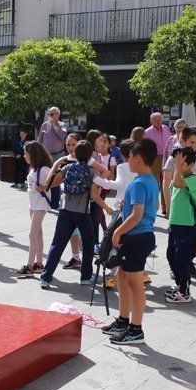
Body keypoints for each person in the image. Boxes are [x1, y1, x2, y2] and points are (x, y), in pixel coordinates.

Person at [101, 139, 159, 345]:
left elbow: (137, 215)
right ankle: (123, 320)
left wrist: (117, 231)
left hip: (136, 236)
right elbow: (148, 208)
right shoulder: (150, 180)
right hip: (140, 236)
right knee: (122, 276)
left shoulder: (139, 183)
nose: (128, 161)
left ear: (138, 158)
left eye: (131, 157)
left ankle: (136, 329)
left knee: (135, 282)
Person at [39, 140, 112, 287]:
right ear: (91, 154)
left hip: (65, 211)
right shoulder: (93, 172)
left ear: (75, 154)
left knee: (57, 244)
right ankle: (85, 277)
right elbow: (96, 189)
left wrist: (53, 171)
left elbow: (52, 183)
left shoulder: (67, 168)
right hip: (83, 213)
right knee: (88, 244)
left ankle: (46, 278)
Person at [93, 139, 138, 289]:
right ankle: (138, 273)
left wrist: (98, 180)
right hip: (137, 208)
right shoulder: (141, 166)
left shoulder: (122, 166)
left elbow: (118, 185)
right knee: (133, 241)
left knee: (115, 240)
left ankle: (111, 276)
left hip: (121, 207)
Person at [164, 148, 196, 303]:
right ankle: (180, 284)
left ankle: (185, 292)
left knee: (182, 258)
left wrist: (177, 168)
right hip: (175, 224)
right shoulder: (178, 176)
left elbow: (178, 184)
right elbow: (171, 188)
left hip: (187, 226)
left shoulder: (193, 179)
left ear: (191, 164)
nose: (178, 165)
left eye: (182, 163)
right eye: (176, 162)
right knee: (171, 255)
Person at [17, 141, 52, 275]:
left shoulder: (44, 169)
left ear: (33, 154)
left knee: (32, 234)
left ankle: (30, 266)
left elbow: (53, 182)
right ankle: (39, 263)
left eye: (26, 153)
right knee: (38, 233)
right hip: (33, 203)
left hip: (40, 204)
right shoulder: (33, 168)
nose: (24, 155)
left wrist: (44, 187)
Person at [37, 107, 68, 206]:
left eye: (52, 114)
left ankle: (55, 202)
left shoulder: (62, 125)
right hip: (46, 156)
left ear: (57, 115)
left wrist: (54, 125)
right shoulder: (44, 125)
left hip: (58, 155)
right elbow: (40, 140)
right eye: (49, 114)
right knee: (46, 177)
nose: (49, 116)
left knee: (55, 178)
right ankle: (46, 199)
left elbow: (63, 136)